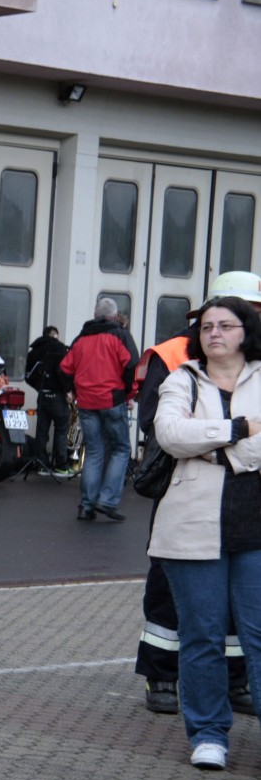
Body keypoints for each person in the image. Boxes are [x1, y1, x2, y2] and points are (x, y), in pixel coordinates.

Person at [132, 273, 261, 716]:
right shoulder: (174, 354)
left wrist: (211, 444)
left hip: (246, 500)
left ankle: (235, 679)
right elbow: (161, 428)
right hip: (184, 490)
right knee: (170, 591)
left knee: (239, 607)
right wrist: (234, 433)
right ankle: (161, 675)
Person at [61, 297, 138, 521]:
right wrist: (128, 393)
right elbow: (132, 365)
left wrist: (73, 391)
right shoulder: (120, 335)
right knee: (120, 449)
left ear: (95, 315)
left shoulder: (81, 339)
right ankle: (107, 500)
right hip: (112, 399)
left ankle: (86, 506)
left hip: (87, 402)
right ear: (114, 316)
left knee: (94, 452)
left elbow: (64, 369)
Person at [25, 326, 74, 475]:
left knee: (42, 431)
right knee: (61, 430)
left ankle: (42, 464)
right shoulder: (59, 348)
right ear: (55, 336)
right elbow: (63, 372)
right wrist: (68, 390)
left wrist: (40, 387)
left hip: (42, 396)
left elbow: (28, 376)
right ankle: (61, 465)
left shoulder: (33, 352)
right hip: (58, 396)